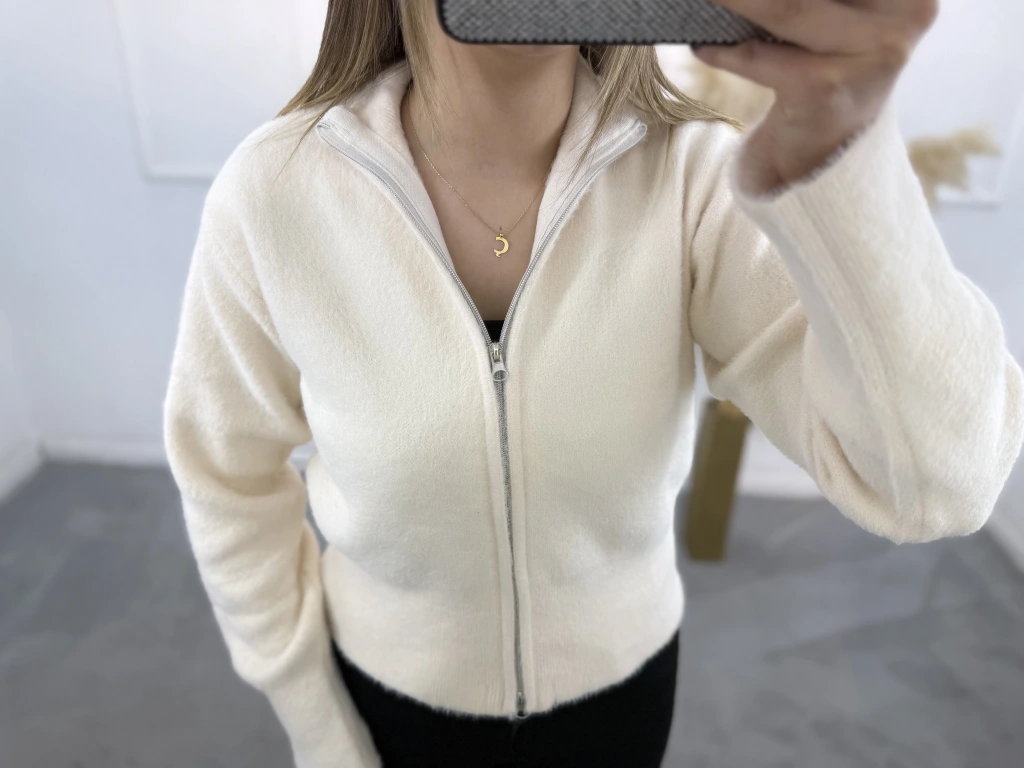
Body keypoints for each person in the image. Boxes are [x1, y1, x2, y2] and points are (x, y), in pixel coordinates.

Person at [162, 1, 1024, 766]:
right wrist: (312, 718)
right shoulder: (276, 192)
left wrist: (846, 150)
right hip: (382, 707)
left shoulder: (692, 181)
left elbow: (938, 485)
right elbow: (225, 475)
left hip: (620, 703)